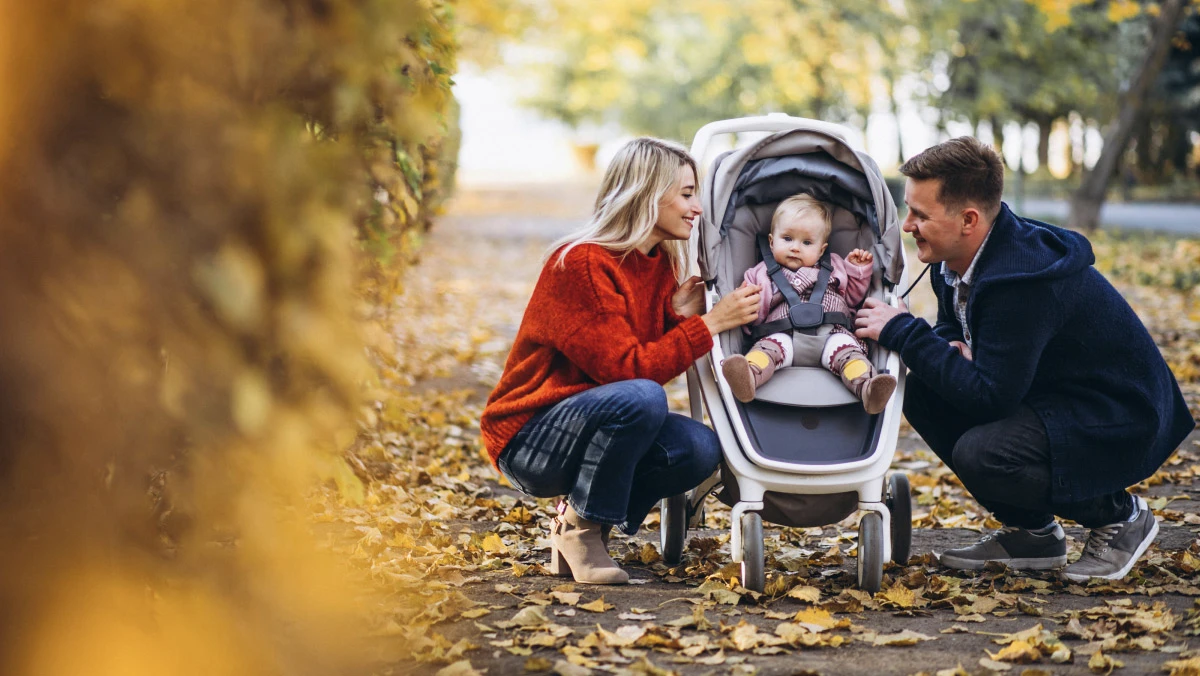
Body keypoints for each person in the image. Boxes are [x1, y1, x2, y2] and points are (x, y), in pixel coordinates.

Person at [854, 137, 1194, 581]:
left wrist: (901, 330)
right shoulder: (954, 260)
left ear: (968, 220)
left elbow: (990, 398)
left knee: (985, 454)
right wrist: (946, 345)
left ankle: (1120, 516)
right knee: (923, 391)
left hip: (1118, 410)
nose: (907, 225)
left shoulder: (1020, 282)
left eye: (920, 215)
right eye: (908, 210)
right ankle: (1032, 532)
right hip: (1049, 393)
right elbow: (952, 329)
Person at [480, 137, 762, 585]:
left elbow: (635, 354)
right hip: (530, 434)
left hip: (590, 420)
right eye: (687, 194)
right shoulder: (583, 264)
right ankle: (582, 530)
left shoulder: (656, 263)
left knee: (697, 448)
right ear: (647, 194)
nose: (697, 208)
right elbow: (628, 372)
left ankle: (577, 524)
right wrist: (707, 325)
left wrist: (678, 317)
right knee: (642, 396)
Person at [720, 194, 896, 413]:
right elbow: (751, 312)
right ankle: (748, 377)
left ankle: (868, 389)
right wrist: (746, 298)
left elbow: (852, 299)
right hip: (782, 335)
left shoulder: (835, 267)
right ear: (771, 242)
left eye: (806, 242)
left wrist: (858, 271)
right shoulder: (760, 273)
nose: (795, 248)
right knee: (765, 350)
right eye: (787, 239)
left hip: (833, 334)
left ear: (821, 250)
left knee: (850, 356)